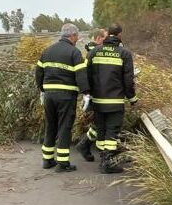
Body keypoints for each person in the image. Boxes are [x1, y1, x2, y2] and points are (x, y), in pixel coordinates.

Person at [36, 23, 90, 172]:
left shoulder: (47, 51)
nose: (77, 39)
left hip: (49, 96)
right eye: (77, 36)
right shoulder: (74, 52)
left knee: (51, 126)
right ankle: (63, 163)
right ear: (72, 35)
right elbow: (81, 75)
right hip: (66, 96)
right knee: (65, 127)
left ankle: (47, 160)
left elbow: (39, 72)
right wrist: (86, 93)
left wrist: (41, 89)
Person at [88, 23, 136, 174]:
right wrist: (132, 98)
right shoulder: (124, 54)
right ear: (120, 35)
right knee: (112, 132)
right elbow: (128, 80)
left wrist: (88, 95)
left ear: (108, 34)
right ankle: (107, 163)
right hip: (114, 101)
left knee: (101, 131)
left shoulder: (94, 52)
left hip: (97, 101)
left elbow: (87, 76)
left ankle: (104, 160)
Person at [75, 28, 108, 162]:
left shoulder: (93, 50)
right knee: (101, 123)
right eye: (105, 39)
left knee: (99, 123)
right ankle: (102, 153)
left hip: (98, 92)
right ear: (99, 39)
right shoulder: (93, 52)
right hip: (97, 93)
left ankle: (85, 145)